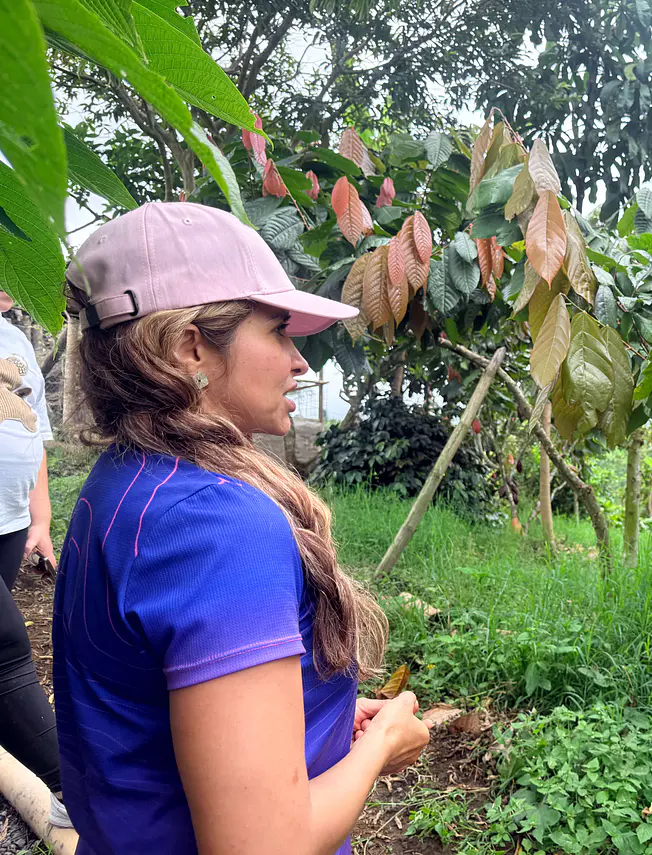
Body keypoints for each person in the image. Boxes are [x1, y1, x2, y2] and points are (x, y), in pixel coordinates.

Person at [55, 201, 430, 855]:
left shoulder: (126, 482)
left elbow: (153, 714)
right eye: (279, 331)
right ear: (190, 346)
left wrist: (321, 725)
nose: (300, 361)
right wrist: (381, 749)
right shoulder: (218, 525)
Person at [0, 291, 70, 827]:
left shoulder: (16, 338)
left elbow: (34, 437)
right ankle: (71, 791)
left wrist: (39, 518)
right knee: (6, 650)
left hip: (10, 521)